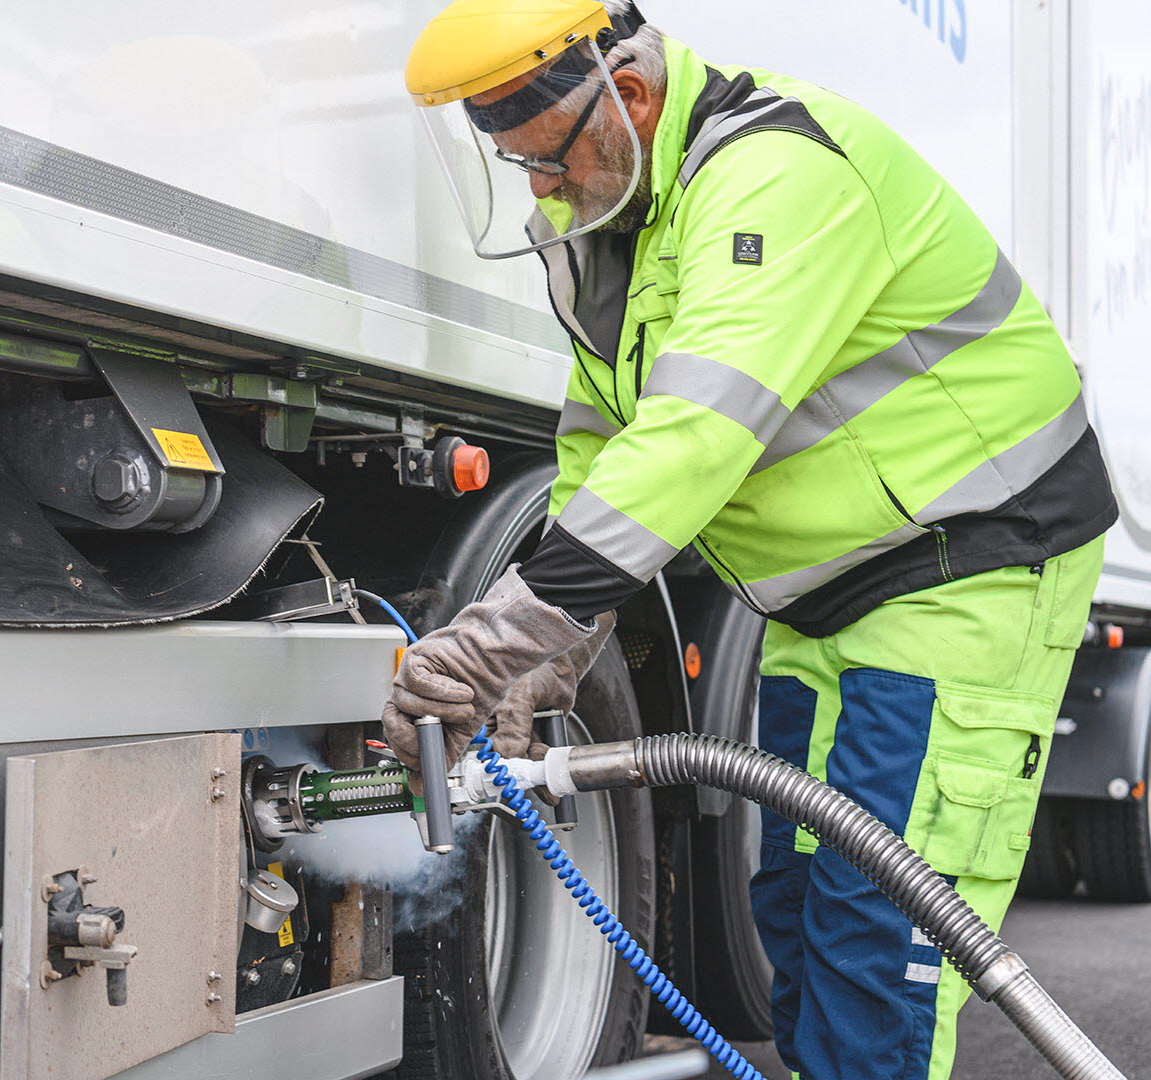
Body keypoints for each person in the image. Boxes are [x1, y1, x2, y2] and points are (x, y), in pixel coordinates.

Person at [383, 2, 1118, 1077]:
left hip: (966, 569)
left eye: (547, 160)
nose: (540, 189)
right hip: (823, 596)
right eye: (517, 166)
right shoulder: (616, 224)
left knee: (876, 938)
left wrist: (482, 646)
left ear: (628, 99)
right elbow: (601, 448)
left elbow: (693, 442)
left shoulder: (777, 173)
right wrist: (550, 656)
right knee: (796, 906)